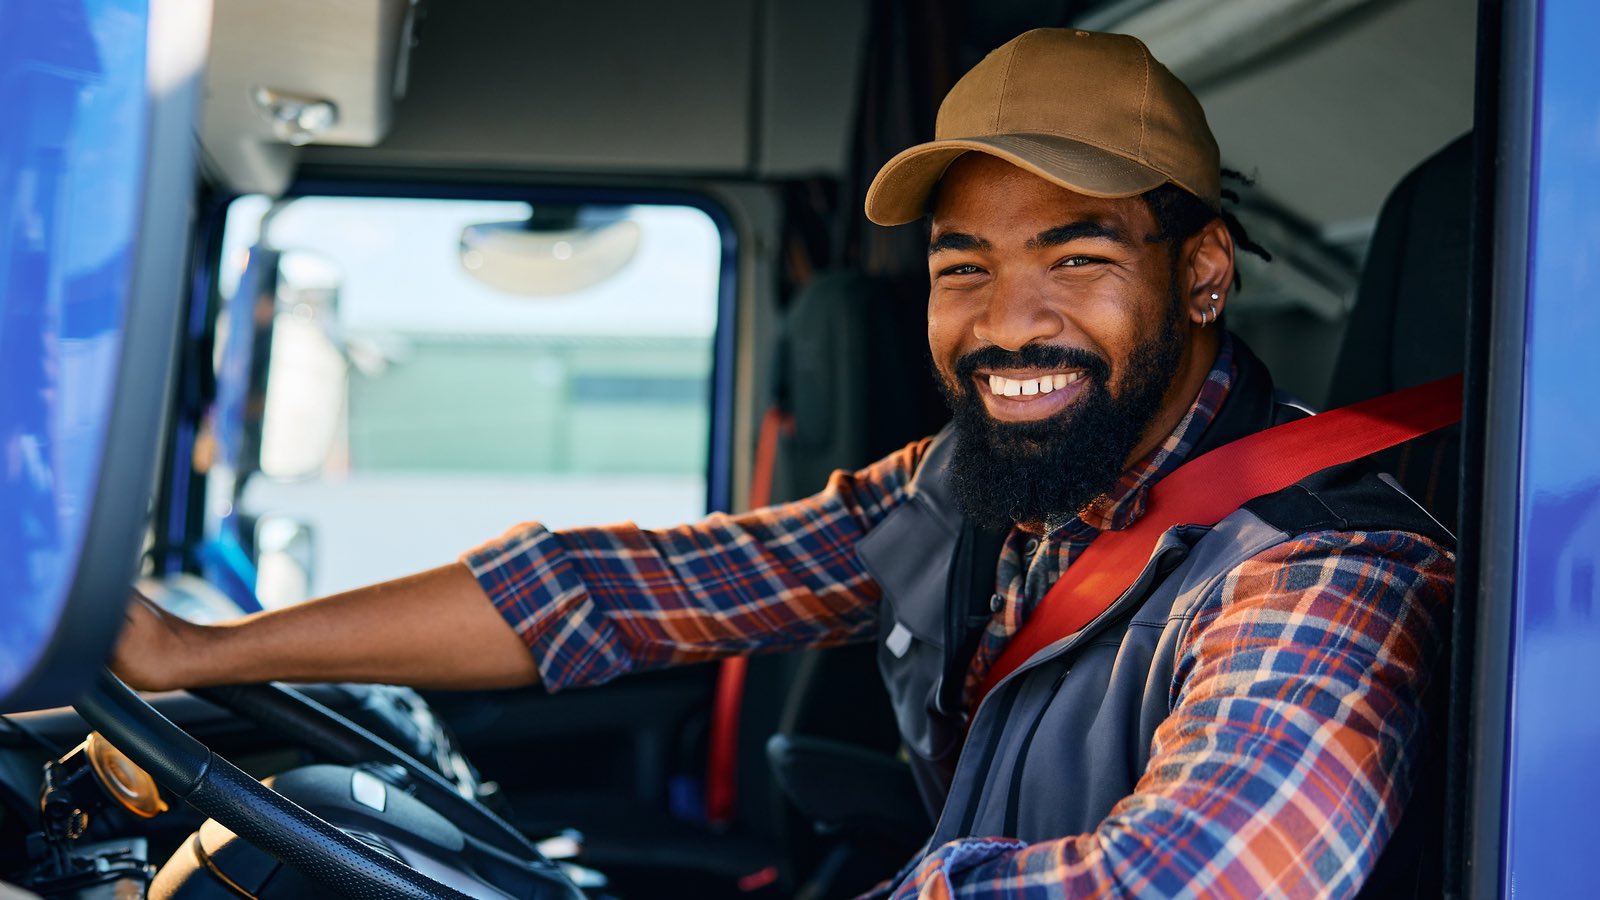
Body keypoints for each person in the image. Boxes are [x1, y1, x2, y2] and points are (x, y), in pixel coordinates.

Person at [113, 29, 1455, 898]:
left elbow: (1185, 881)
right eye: (963, 269)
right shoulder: (982, 484)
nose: (1007, 323)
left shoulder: (1323, 569)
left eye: (1080, 259)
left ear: (1204, 274)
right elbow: (616, 590)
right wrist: (193, 655)